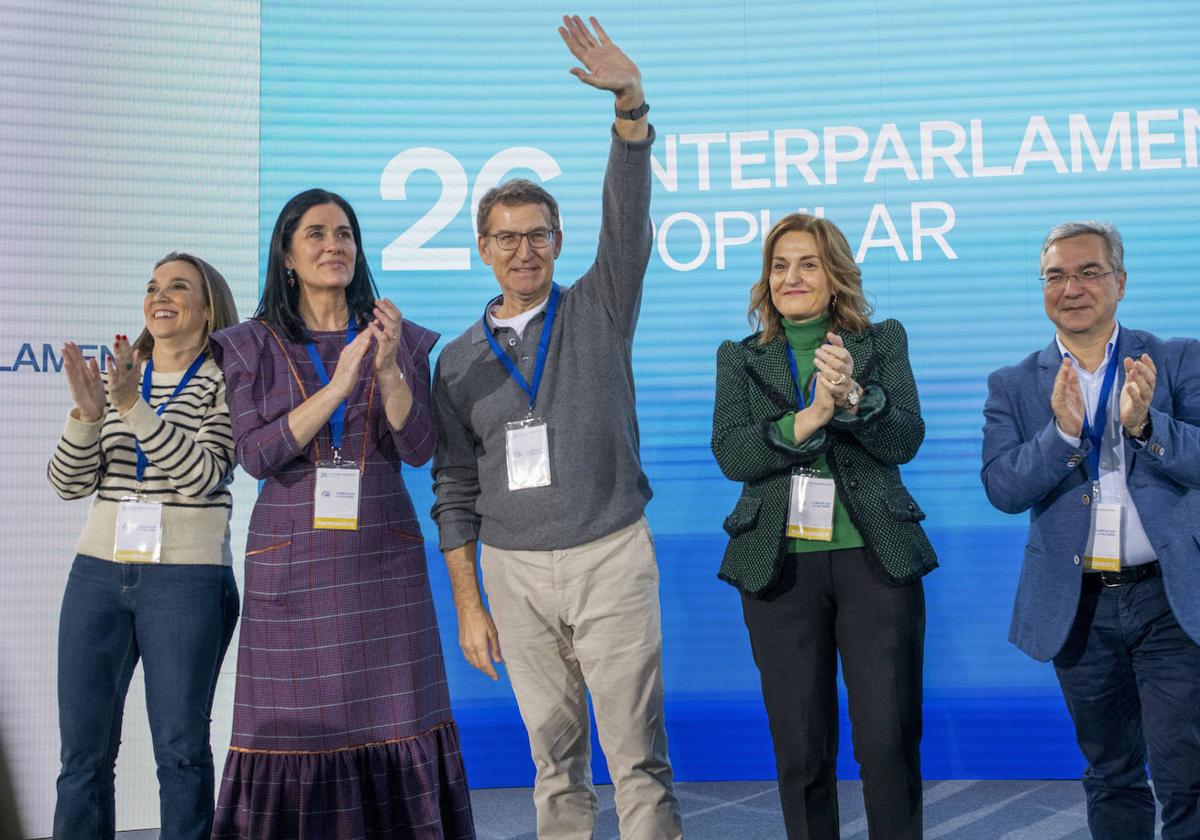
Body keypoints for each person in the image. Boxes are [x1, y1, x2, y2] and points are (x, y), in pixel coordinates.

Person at [431, 16, 681, 840]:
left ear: (559, 241)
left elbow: (628, 213)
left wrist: (629, 109)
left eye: (538, 234)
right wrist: (470, 603)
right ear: (483, 249)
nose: (524, 249)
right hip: (513, 570)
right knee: (554, 761)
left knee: (637, 755)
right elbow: (454, 488)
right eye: (507, 237)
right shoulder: (458, 361)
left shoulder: (601, 306)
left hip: (610, 550)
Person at [209, 189, 474, 838]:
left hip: (381, 565)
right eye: (318, 234)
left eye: (346, 234)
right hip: (291, 567)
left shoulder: (399, 336)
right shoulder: (249, 345)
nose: (335, 245)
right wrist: (333, 388)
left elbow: (419, 450)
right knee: (299, 732)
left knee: (394, 719)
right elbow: (257, 453)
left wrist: (386, 370)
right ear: (287, 254)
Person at [711, 213, 936, 840]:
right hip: (778, 567)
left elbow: (905, 439)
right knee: (801, 751)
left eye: (808, 263)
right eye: (780, 265)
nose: (792, 277)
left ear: (833, 275)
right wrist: (809, 418)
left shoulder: (882, 341)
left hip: (876, 561)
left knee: (888, 743)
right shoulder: (739, 358)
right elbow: (733, 453)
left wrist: (857, 402)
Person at [981, 221, 1200, 839]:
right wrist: (1062, 437)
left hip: (1169, 597)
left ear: (1120, 282)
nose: (1071, 287)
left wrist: (1145, 427)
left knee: (1186, 771)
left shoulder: (1178, 359)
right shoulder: (1015, 383)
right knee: (1111, 773)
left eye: (1088, 272)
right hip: (1079, 605)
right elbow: (1002, 488)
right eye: (1056, 275)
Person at [47, 252, 241, 840]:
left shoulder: (228, 379)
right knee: (82, 755)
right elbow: (68, 483)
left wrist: (133, 408)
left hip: (187, 579)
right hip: (98, 573)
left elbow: (204, 474)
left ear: (207, 309)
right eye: (153, 286)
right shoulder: (121, 374)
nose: (159, 296)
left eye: (178, 287)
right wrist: (87, 414)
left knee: (180, 753)